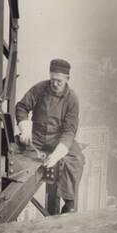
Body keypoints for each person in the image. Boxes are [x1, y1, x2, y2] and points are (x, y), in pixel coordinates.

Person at [15, 59, 85, 213]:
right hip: (37, 138)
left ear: (67, 79)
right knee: (12, 150)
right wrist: (25, 128)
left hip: (58, 141)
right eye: (52, 79)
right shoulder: (39, 89)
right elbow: (22, 107)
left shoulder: (72, 99)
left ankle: (69, 202)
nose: (55, 84)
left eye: (59, 81)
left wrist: (57, 154)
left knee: (76, 159)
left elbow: (69, 131)